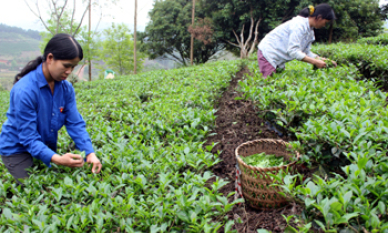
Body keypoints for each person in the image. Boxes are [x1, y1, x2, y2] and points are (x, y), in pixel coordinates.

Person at [0, 33, 102, 184]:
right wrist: (58, 159)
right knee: (33, 190)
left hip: (44, 145)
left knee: (53, 185)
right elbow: (28, 137)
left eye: (73, 67)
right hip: (17, 149)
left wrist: (90, 153)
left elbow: (75, 123)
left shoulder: (65, 88)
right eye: (66, 66)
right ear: (50, 58)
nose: (69, 72)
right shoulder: (25, 91)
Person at [258, 3, 337, 78]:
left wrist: (323, 60)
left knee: (277, 81)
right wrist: (315, 62)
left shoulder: (310, 31)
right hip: (269, 53)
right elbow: (293, 51)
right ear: (319, 18)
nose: (324, 25)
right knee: (269, 82)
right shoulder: (299, 25)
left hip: (279, 57)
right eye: (325, 22)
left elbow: (306, 52)